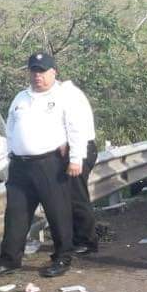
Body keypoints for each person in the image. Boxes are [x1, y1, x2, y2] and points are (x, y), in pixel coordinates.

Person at [0, 52, 89, 279]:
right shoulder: (21, 97)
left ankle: (62, 257)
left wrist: (76, 158)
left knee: (58, 213)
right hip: (20, 166)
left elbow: (76, 128)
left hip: (49, 164)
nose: (38, 76)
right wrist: (9, 153)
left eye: (43, 71)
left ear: (53, 72)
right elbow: (10, 127)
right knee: (16, 214)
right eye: (34, 71)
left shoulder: (64, 96)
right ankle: (9, 260)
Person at [61, 80, 98, 255]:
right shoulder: (70, 93)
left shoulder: (68, 96)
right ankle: (78, 238)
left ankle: (86, 240)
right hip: (78, 149)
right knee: (72, 196)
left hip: (79, 150)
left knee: (77, 196)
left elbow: (76, 130)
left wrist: (75, 158)